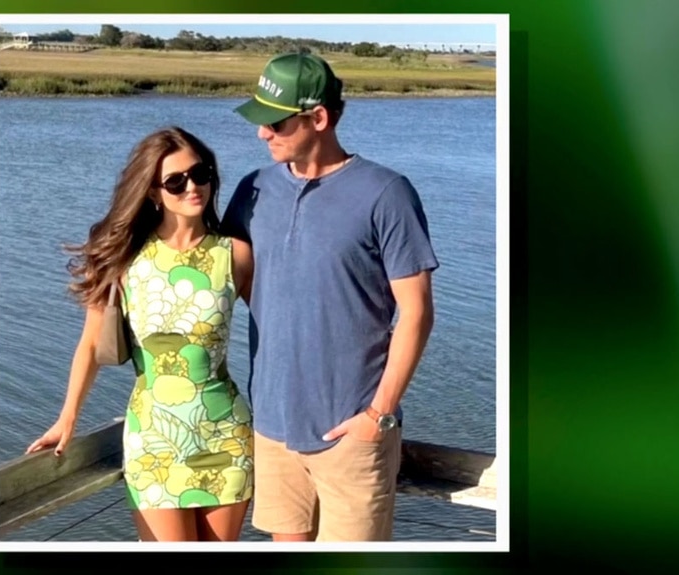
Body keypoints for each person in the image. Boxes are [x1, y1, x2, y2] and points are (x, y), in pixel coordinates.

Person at [221, 52, 439, 542]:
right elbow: (233, 278)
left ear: (318, 118)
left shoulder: (387, 193)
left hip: (352, 432)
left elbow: (418, 312)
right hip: (273, 427)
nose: (262, 134)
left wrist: (377, 414)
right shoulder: (253, 189)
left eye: (275, 122)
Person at [27, 126, 255, 542]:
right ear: (152, 191)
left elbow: (281, 333)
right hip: (154, 438)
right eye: (176, 181)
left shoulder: (234, 254)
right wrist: (67, 417)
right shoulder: (125, 258)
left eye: (200, 173)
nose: (193, 187)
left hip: (225, 436)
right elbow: (92, 343)